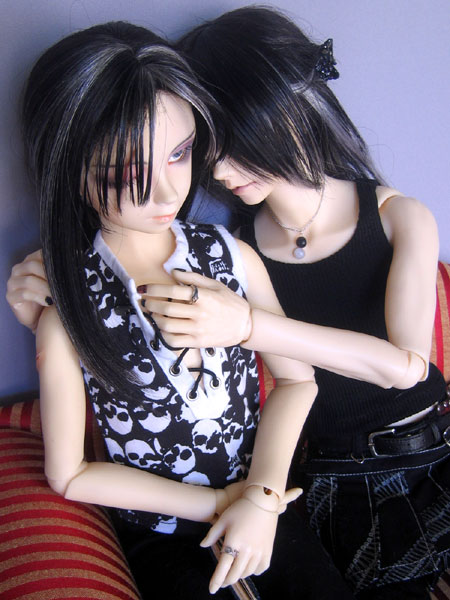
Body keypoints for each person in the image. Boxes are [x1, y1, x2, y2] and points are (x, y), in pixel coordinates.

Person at [7, 6, 448, 598]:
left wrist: (261, 489)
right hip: (227, 507)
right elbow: (70, 472)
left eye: (181, 152)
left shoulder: (241, 253)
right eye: (124, 174)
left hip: (356, 478)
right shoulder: (97, 297)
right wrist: (229, 501)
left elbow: (348, 375)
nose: (176, 187)